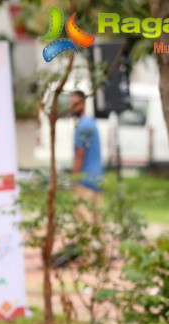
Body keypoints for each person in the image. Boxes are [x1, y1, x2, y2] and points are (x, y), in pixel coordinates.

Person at [69, 89, 102, 226]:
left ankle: (88, 248)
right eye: (70, 104)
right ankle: (100, 248)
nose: (71, 107)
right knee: (97, 223)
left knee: (84, 224)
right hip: (97, 180)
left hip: (84, 181)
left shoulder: (81, 127)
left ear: (83, 104)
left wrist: (74, 178)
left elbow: (80, 155)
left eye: (75, 104)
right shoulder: (92, 123)